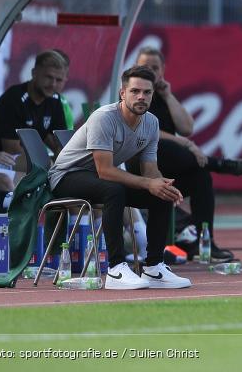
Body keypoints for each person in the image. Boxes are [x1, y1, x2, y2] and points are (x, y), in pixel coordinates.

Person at [48, 65, 191, 289]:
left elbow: (150, 171)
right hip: (66, 176)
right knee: (114, 190)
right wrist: (148, 183)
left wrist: (162, 185)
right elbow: (104, 170)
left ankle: (154, 268)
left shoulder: (151, 123)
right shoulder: (104, 117)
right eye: (135, 91)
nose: (141, 96)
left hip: (97, 179)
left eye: (147, 92)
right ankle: (116, 269)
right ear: (122, 93)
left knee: (160, 195)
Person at [135, 47, 242, 262]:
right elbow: (143, 128)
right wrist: (185, 143)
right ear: (135, 68)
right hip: (142, 168)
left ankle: (205, 243)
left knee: (201, 177)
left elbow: (187, 127)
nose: (150, 71)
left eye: (155, 68)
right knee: (165, 145)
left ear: (163, 70)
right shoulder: (135, 94)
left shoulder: (163, 95)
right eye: (145, 67)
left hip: (168, 170)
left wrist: (168, 95)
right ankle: (217, 163)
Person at [0, 50, 68, 157]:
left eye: (59, 80)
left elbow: (61, 145)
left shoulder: (54, 100)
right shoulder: (14, 98)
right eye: (48, 77)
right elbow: (12, 151)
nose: (53, 84)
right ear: (34, 73)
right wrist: (50, 163)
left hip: (19, 163)